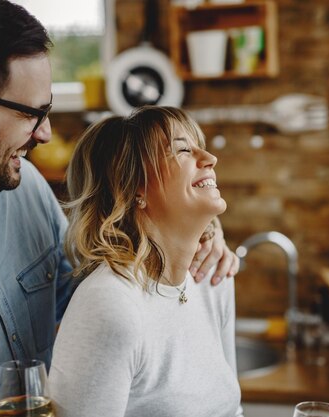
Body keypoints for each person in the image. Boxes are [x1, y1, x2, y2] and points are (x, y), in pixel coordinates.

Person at [0, 1, 238, 416]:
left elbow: (99, 292)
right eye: (32, 114)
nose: (46, 133)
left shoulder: (25, 189)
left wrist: (195, 239)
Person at [48, 106, 244, 417]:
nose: (209, 159)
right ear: (134, 187)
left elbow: (232, 411)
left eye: (198, 145)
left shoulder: (214, 278)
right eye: (182, 150)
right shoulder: (109, 305)